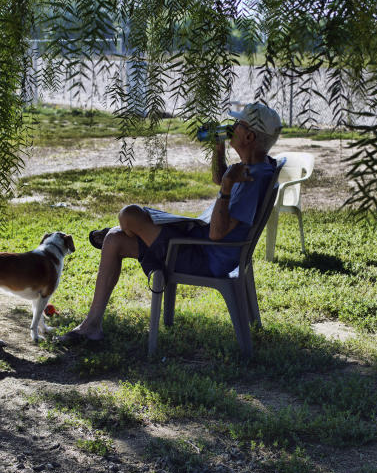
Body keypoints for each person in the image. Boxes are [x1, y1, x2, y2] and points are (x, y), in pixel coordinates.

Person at [60, 102, 283, 343]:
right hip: (197, 245)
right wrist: (219, 150)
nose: (231, 127)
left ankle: (134, 233)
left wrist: (228, 185)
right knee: (115, 240)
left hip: (202, 256)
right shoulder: (257, 168)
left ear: (249, 136)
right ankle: (91, 326)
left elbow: (218, 234)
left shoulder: (251, 178)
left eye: (237, 124)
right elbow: (221, 178)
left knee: (129, 214)